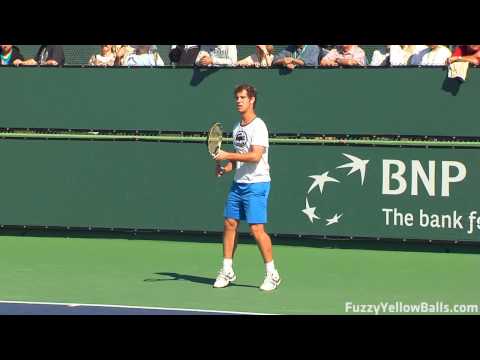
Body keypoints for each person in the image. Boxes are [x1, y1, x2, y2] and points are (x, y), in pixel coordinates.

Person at [211, 84, 281, 292]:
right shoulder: (237, 127)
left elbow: (255, 156)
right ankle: (227, 270)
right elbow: (239, 156)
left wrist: (228, 155)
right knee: (230, 223)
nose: (238, 101)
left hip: (257, 183)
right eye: (236, 98)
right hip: (238, 184)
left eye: (242, 97)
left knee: (256, 229)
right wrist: (226, 167)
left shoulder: (259, 126)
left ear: (252, 100)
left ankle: (272, 274)